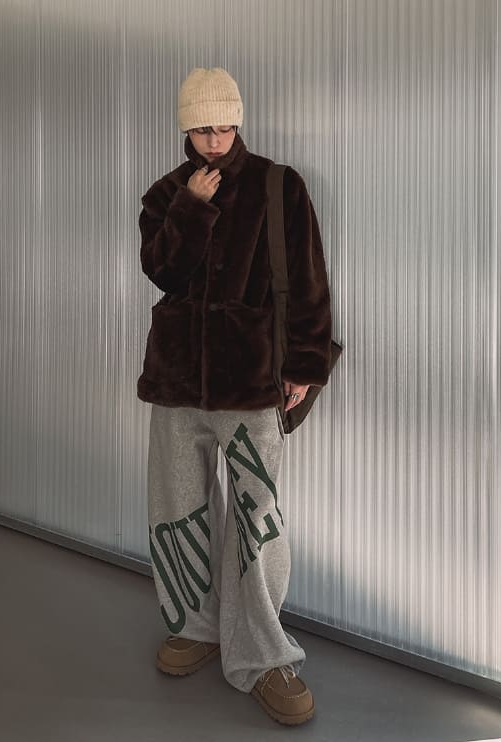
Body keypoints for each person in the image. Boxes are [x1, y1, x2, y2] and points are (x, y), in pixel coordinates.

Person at [137, 67, 334, 725]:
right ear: (185, 128)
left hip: (252, 383)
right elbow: (163, 271)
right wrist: (191, 207)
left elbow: (308, 278)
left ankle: (262, 654)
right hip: (177, 382)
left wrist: (304, 364)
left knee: (258, 519)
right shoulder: (166, 193)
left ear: (238, 121)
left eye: (224, 126)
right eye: (202, 129)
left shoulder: (280, 185)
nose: (215, 140)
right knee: (177, 508)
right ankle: (193, 626)